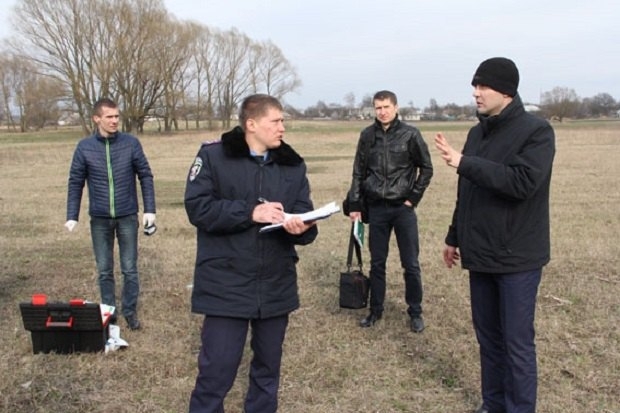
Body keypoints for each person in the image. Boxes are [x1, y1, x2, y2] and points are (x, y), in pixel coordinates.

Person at [434, 57, 555, 413]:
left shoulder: (537, 131)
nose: (476, 93)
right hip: (480, 253)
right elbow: (468, 190)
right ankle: (493, 404)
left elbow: (522, 183)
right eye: (474, 86)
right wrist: (454, 235)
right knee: (488, 340)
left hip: (517, 256)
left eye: (483, 86)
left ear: (506, 90)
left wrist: (464, 162)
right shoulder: (477, 133)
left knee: (516, 343)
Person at [185, 94, 318, 413]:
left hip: (275, 285)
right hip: (225, 284)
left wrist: (302, 227)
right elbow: (198, 209)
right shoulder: (213, 157)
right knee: (216, 374)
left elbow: (306, 215)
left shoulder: (292, 164)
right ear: (251, 124)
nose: (282, 127)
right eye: (276, 121)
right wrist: (250, 213)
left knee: (267, 374)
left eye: (283, 121)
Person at [345, 90, 433, 332]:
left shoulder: (410, 134)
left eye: (386, 107)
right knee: (377, 263)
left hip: (402, 209)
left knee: (411, 264)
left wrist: (413, 198)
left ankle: (415, 311)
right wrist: (355, 205)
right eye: (378, 107)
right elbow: (358, 172)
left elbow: (426, 168)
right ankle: (376, 310)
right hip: (377, 209)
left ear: (395, 107)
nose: (382, 112)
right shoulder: (367, 136)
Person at [65, 97, 156, 331]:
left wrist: (150, 210)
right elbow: (76, 181)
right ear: (97, 119)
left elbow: (145, 174)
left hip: (127, 215)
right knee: (105, 269)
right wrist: (72, 215)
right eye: (110, 117)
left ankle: (130, 311)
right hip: (100, 218)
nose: (115, 121)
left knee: (129, 268)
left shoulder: (131, 144)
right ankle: (109, 312)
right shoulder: (84, 147)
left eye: (117, 116)